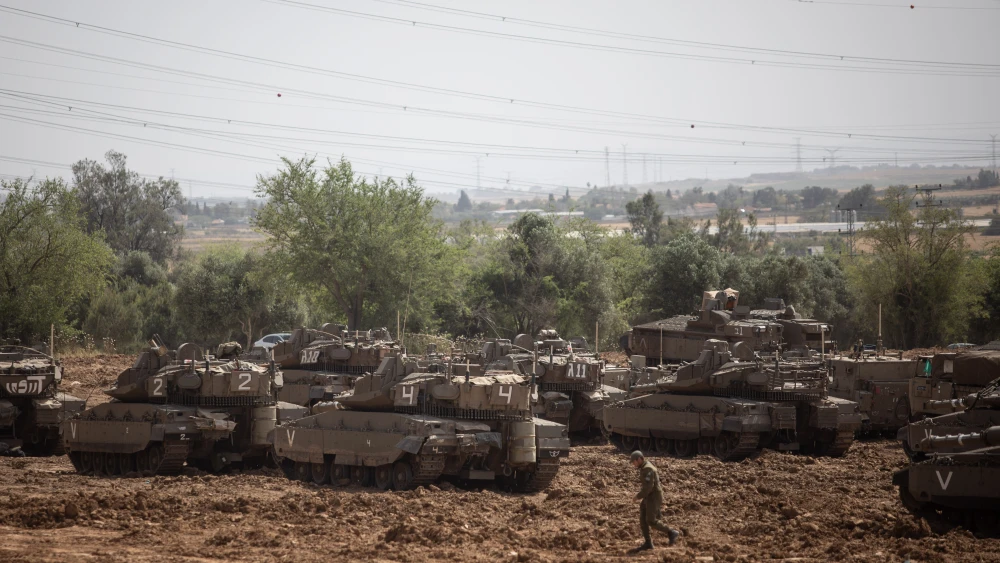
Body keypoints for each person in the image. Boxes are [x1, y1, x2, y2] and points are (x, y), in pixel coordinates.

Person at [630, 450, 680, 551]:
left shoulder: (647, 468)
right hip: (649, 496)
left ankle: (671, 532)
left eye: (634, 462)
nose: (633, 464)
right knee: (643, 518)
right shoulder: (644, 467)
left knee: (651, 520)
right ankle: (648, 543)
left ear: (639, 459)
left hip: (653, 496)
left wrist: (638, 496)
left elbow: (648, 487)